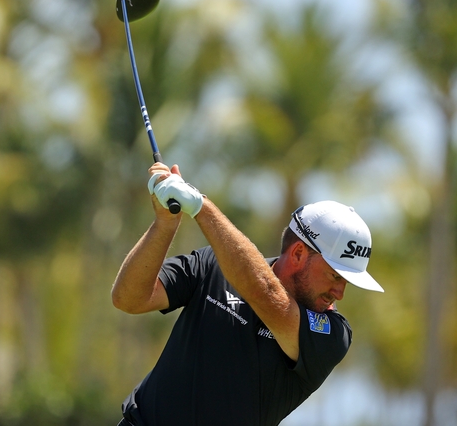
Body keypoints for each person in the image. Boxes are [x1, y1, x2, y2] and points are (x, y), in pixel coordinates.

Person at [111, 162, 384, 426]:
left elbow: (265, 293)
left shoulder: (332, 335)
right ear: (299, 253)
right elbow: (129, 298)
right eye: (335, 276)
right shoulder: (214, 264)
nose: (340, 293)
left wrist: (200, 206)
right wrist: (164, 225)